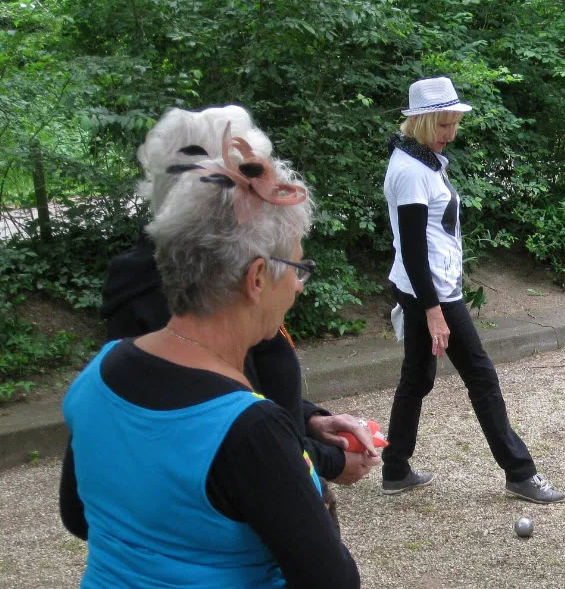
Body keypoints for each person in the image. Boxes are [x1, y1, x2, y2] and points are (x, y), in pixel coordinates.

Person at [59, 111, 360, 587]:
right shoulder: (251, 430)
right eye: (298, 269)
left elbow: (79, 516)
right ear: (257, 277)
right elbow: (332, 580)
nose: (300, 286)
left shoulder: (98, 373)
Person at [101, 106, 380, 499]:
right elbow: (223, 431)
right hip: (252, 494)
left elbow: (255, 383)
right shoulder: (183, 289)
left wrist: (311, 418)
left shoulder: (224, 266)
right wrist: (325, 461)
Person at [380, 76, 565, 504]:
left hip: (428, 288)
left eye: (453, 124)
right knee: (480, 376)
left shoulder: (422, 162)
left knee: (417, 378)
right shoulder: (410, 172)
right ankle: (520, 472)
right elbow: (412, 251)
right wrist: (433, 310)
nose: (450, 134)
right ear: (423, 123)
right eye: (443, 125)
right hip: (433, 291)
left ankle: (395, 468)